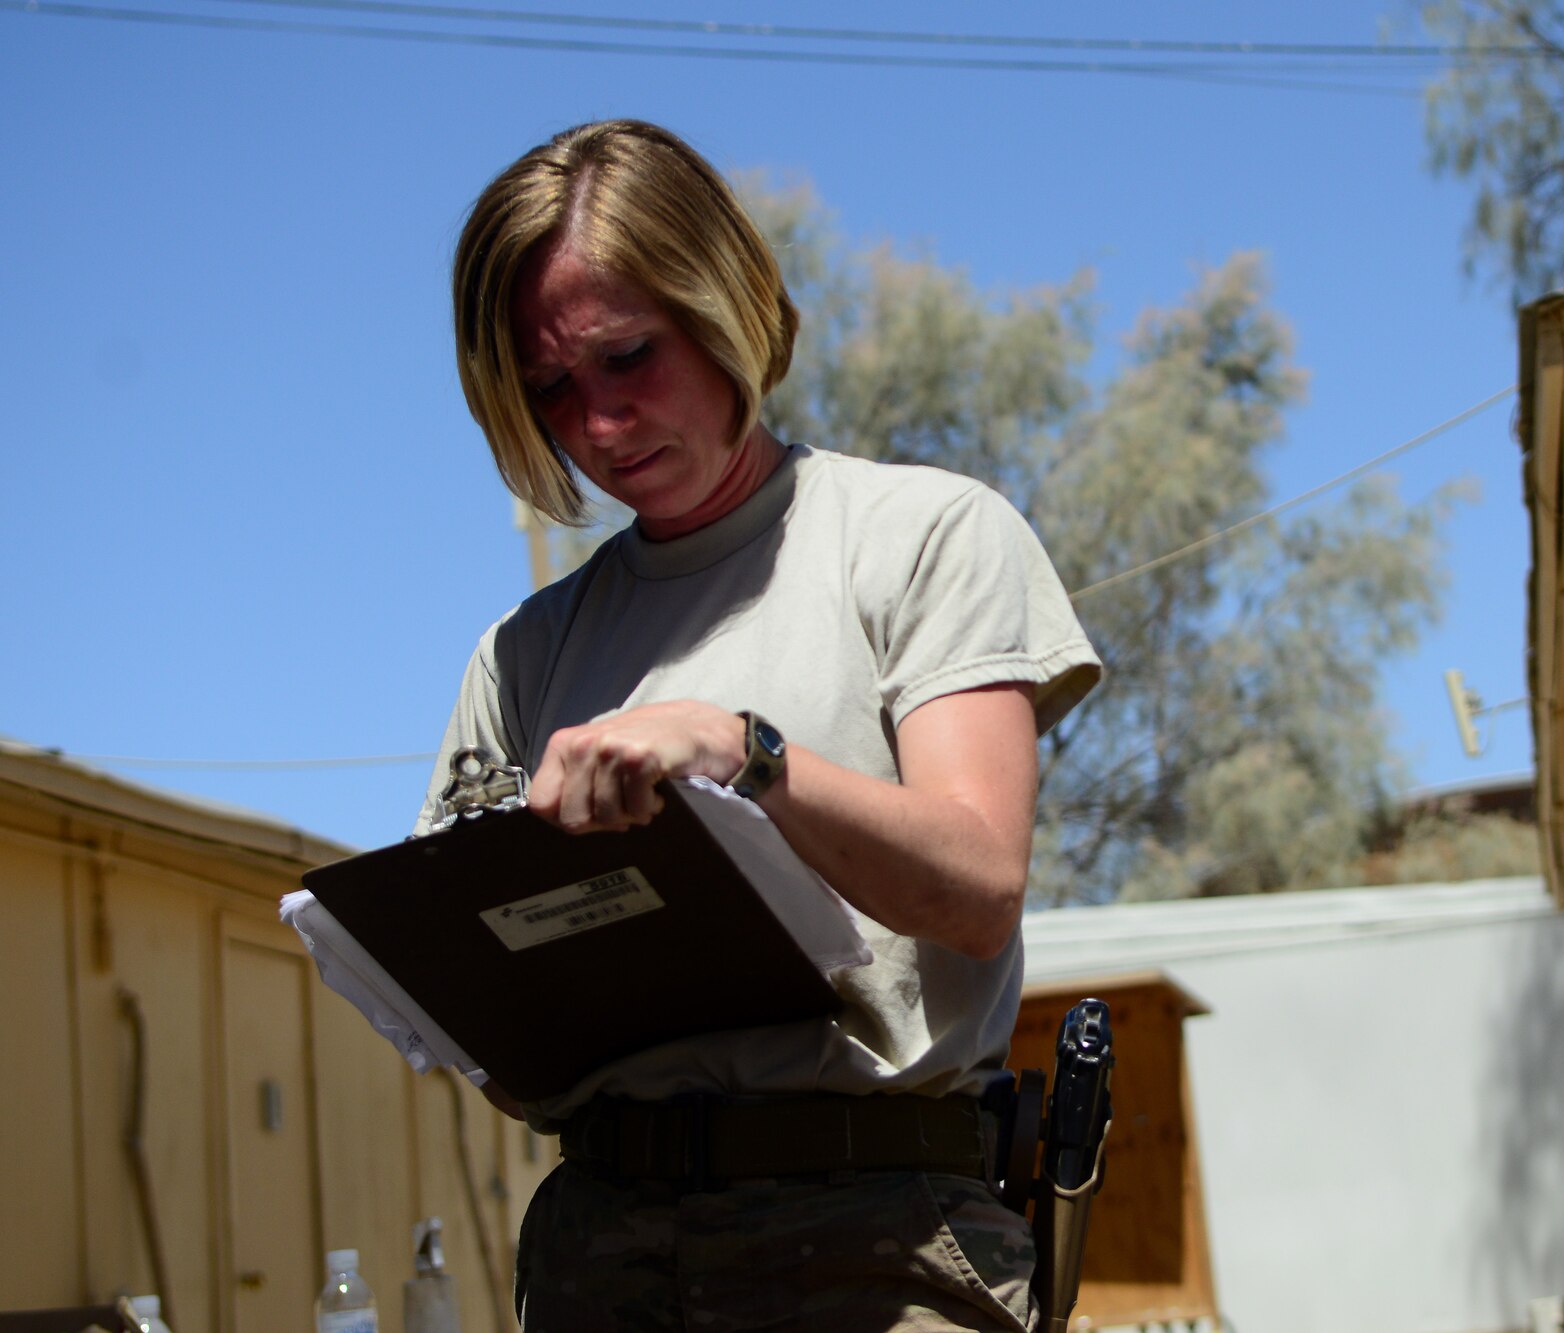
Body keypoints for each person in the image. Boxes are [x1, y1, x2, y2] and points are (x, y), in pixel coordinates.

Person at [420, 119, 1101, 1332]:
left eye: (629, 355)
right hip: (600, 1258)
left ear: (724, 301)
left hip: (880, 1249)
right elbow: (490, 1032)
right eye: (552, 389)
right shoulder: (523, 656)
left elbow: (979, 883)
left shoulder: (922, 537)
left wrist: (748, 752)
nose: (600, 424)